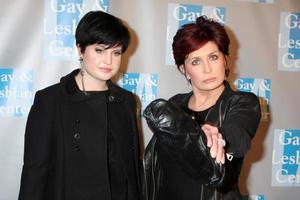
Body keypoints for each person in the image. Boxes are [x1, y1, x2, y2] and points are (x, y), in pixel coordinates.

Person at [18, 11, 143, 200]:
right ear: (80, 49)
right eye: (99, 50)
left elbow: (132, 171)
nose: (109, 61)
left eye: (116, 52)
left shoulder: (125, 101)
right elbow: (35, 174)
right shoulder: (50, 100)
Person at [143, 16, 261, 200]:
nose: (207, 69)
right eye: (196, 61)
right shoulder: (174, 106)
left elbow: (238, 137)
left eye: (213, 57)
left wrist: (213, 136)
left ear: (226, 60)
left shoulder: (242, 102)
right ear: (184, 69)